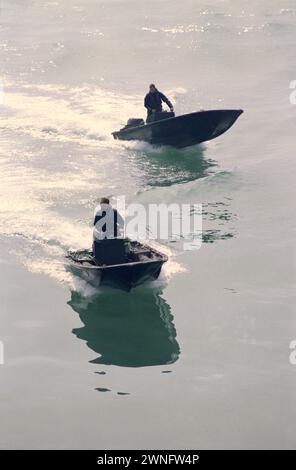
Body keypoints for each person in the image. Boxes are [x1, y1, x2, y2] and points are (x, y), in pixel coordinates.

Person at [93, 197, 125, 264]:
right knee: (99, 241)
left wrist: (120, 229)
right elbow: (96, 225)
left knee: (119, 241)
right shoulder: (99, 213)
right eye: (102, 205)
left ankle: (121, 258)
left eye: (105, 205)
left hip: (115, 232)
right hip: (103, 233)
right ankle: (99, 260)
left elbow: (121, 222)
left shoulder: (114, 212)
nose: (103, 207)